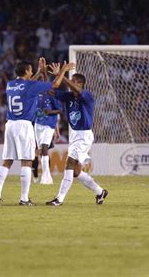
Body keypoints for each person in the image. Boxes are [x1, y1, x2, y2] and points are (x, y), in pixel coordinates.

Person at [0, 59, 70, 206]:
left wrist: (40, 72)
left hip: (10, 125)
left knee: (7, 161)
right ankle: (24, 199)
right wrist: (63, 70)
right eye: (31, 70)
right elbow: (55, 85)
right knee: (27, 161)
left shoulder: (10, 85)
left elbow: (26, 87)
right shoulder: (30, 86)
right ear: (26, 71)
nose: (32, 72)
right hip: (24, 126)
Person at [45, 63, 108, 206]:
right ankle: (100, 192)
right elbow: (52, 89)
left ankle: (59, 199)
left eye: (73, 81)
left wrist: (63, 74)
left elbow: (77, 90)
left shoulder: (87, 96)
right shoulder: (68, 96)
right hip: (75, 135)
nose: (70, 84)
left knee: (69, 163)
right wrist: (60, 73)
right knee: (76, 172)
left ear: (80, 83)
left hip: (84, 135)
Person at [34, 91, 62, 184]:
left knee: (45, 148)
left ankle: (45, 177)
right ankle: (43, 176)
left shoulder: (52, 95)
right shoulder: (35, 95)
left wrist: (50, 112)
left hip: (49, 125)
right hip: (37, 125)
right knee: (40, 151)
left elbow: (60, 110)